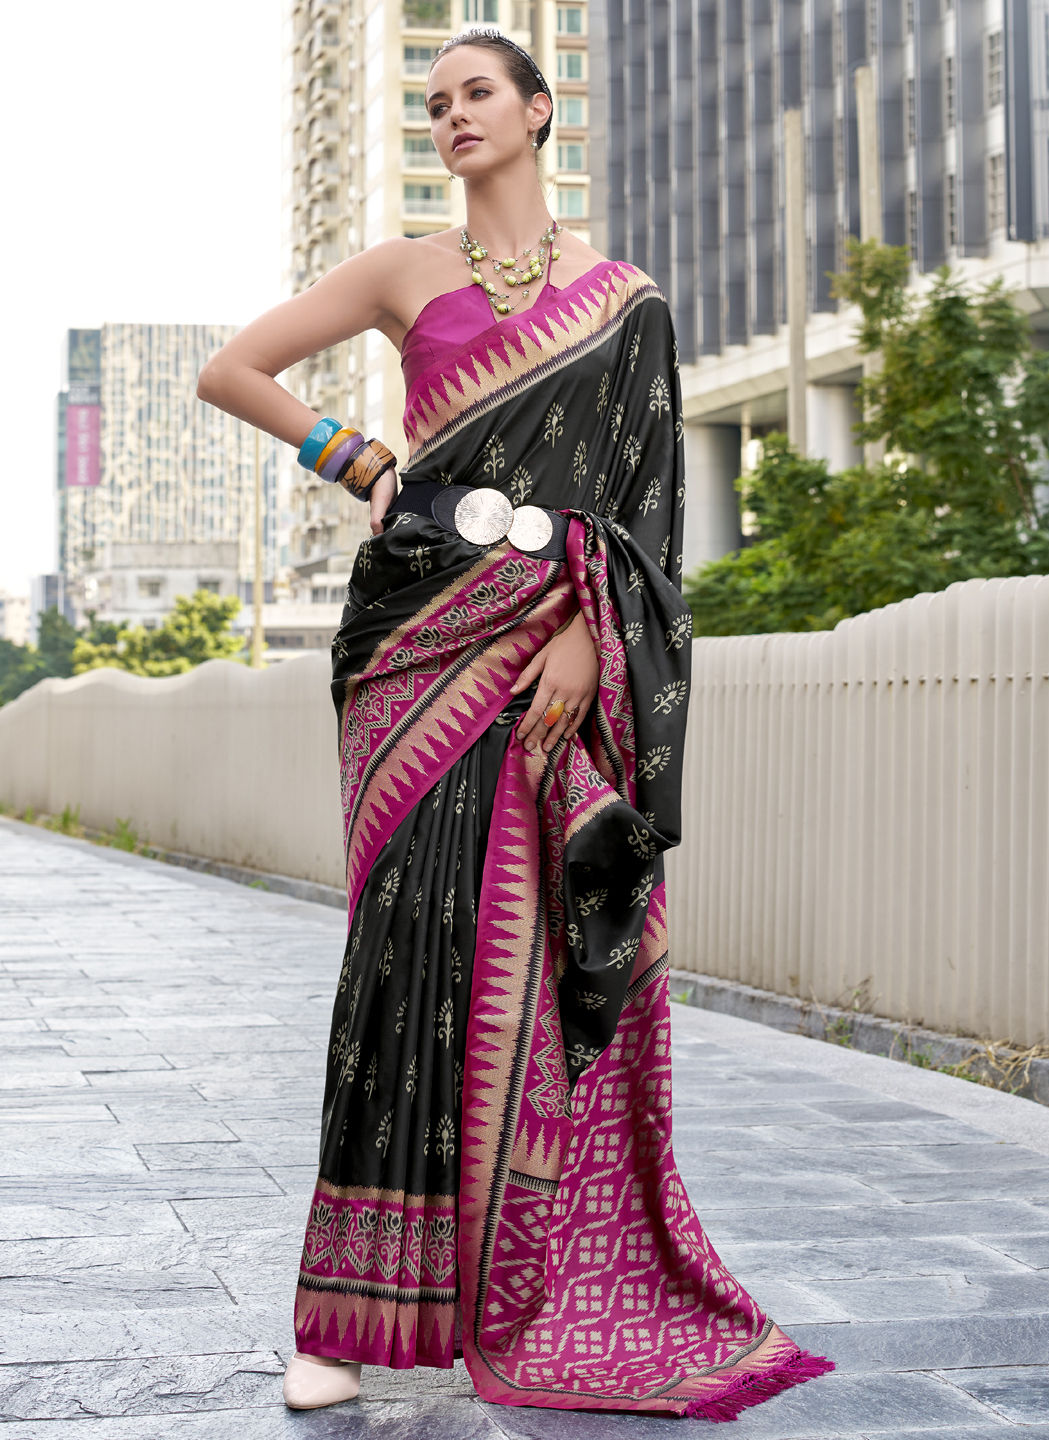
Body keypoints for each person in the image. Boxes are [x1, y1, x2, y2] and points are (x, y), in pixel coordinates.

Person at [196, 23, 836, 1424]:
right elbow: (231, 369)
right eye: (435, 103)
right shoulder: (400, 272)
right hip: (411, 640)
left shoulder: (625, 303)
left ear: (541, 111)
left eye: (477, 92)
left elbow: (647, 515)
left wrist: (582, 637)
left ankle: (533, 1284)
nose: (452, 117)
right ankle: (341, 1318)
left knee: (533, 959)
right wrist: (356, 456)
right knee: (400, 953)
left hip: (553, 644)